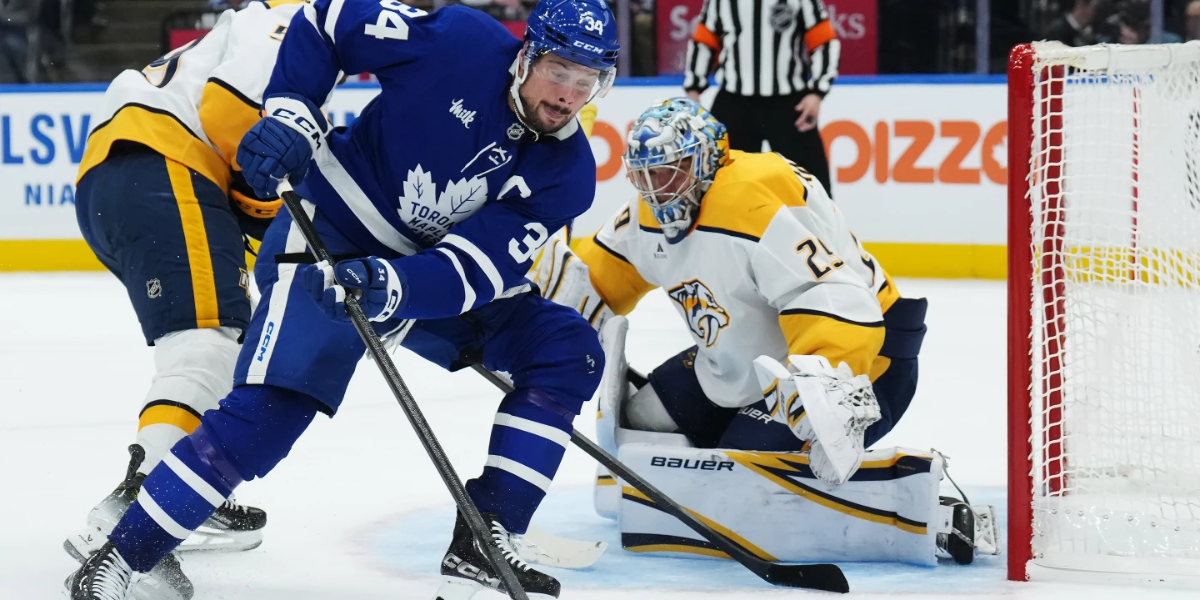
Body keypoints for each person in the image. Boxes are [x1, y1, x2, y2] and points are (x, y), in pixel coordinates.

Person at [64, 0, 618, 599]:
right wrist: (294, 111)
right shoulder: (458, 40)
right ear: (526, 55)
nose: (569, 94)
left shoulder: (568, 173)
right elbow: (328, 21)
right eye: (559, 72)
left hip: (415, 278)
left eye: (586, 82)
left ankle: (488, 536)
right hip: (330, 236)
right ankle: (125, 555)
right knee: (269, 417)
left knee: (566, 349)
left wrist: (396, 287)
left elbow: (473, 271)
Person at [526, 99, 996, 566]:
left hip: (862, 360)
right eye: (646, 174)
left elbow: (834, 296)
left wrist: (826, 381)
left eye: (672, 171)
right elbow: (596, 280)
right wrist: (529, 316)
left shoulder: (745, 200)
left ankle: (927, 514)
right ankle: (712, 481)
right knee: (641, 424)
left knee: (745, 482)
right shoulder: (649, 212)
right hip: (748, 355)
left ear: (709, 160)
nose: (658, 190)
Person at [66, 1, 309, 597]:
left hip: (130, 172)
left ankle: (182, 485)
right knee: (209, 343)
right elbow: (230, 110)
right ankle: (139, 509)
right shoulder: (298, 17)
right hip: (164, 161)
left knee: (227, 331)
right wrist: (269, 212)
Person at [682, 0, 839, 196]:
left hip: (789, 104)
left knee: (814, 187)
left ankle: (822, 227)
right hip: (735, 102)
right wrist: (693, 91)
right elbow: (704, 41)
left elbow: (824, 41)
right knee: (715, 184)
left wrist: (817, 93)